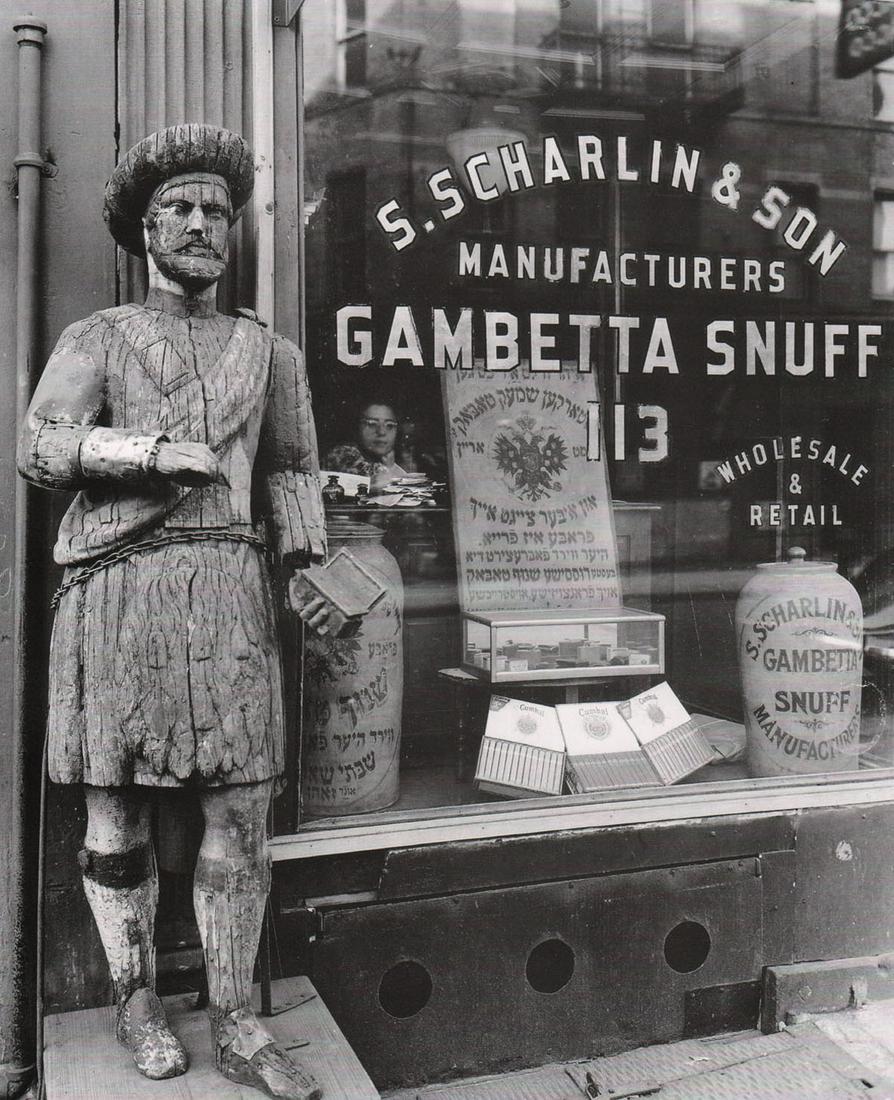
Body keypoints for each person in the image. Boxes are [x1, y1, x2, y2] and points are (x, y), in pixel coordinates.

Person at [18, 124, 334, 1100]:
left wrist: (308, 571)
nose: (202, 225)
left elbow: (290, 473)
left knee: (241, 818)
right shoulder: (97, 338)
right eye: (181, 209)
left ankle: (238, 1015)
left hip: (230, 593)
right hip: (116, 594)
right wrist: (154, 452)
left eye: (217, 212)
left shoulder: (267, 353)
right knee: (115, 814)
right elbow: (42, 447)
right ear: (143, 227)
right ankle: (134, 997)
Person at [325, 401, 409, 490]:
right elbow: (374, 481)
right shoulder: (343, 453)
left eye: (389, 425)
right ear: (357, 427)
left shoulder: (391, 460)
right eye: (372, 424)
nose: (381, 432)